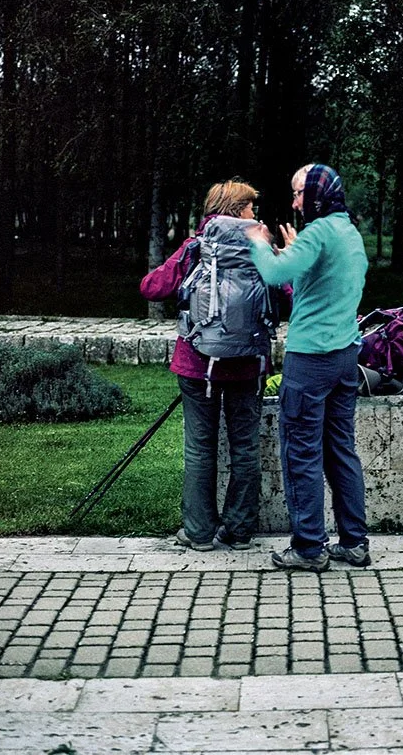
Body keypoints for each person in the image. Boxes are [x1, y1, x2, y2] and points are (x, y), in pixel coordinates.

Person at [248, 163, 371, 571]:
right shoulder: (347, 231)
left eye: (300, 193)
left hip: (310, 360)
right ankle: (354, 543)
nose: (296, 201)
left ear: (317, 194)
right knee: (341, 451)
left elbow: (273, 272)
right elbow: (311, 286)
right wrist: (295, 248)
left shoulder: (319, 233)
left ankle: (308, 548)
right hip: (344, 358)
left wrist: (259, 242)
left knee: (301, 452)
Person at [140, 179, 274, 552]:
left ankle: (198, 533)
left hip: (198, 365)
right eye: (250, 207)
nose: (254, 213)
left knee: (200, 449)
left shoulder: (195, 248)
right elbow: (288, 295)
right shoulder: (261, 247)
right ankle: (239, 531)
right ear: (237, 210)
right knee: (245, 448)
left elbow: (151, 288)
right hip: (248, 366)